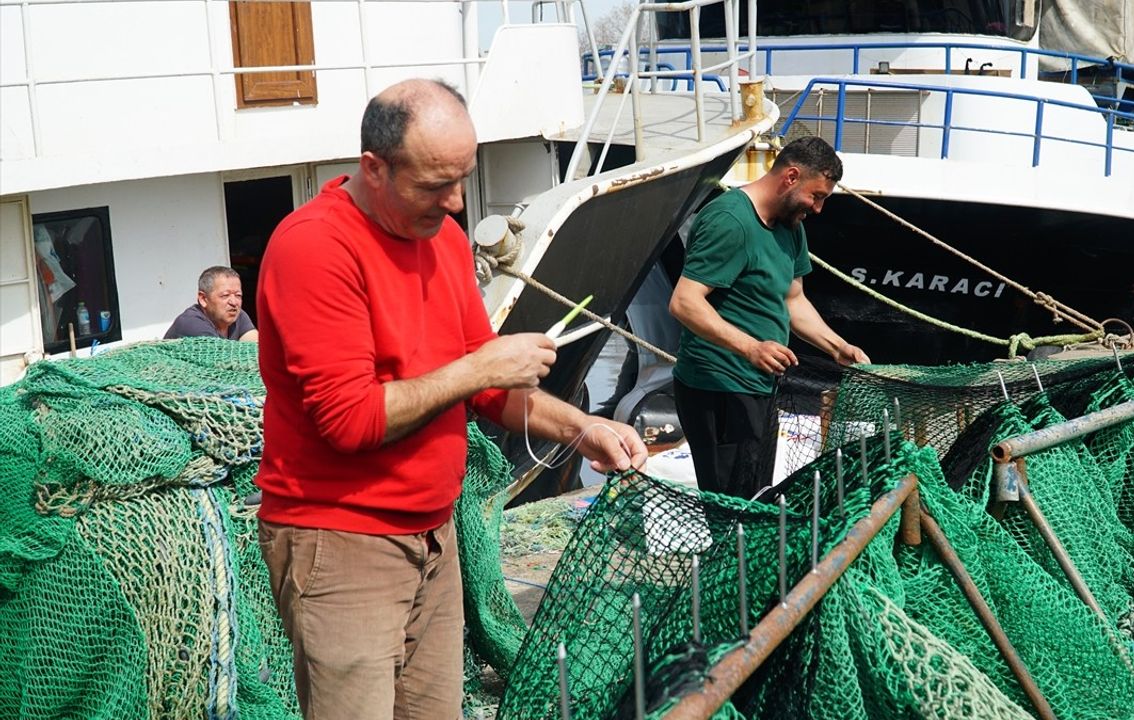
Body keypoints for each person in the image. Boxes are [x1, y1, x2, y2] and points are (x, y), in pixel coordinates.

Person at [253, 79, 647, 720]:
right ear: (374, 168)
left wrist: (582, 427)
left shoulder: (437, 238)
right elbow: (350, 422)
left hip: (434, 537)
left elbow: (490, 388)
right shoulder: (314, 248)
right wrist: (479, 366)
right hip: (344, 542)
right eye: (436, 184)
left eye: (464, 177)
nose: (457, 202)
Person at [669, 136, 869, 499]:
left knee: (756, 494)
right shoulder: (730, 220)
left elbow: (793, 300)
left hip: (760, 385)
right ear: (791, 176)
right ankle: (728, 557)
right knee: (731, 506)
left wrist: (837, 346)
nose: (819, 208)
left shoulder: (790, 226)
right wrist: (750, 348)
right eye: (817, 195)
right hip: (719, 387)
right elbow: (684, 303)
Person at [163, 266, 259, 341]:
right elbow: (222, 360)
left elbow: (256, 347)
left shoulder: (238, 315)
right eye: (225, 295)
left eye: (238, 295)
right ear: (203, 299)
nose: (234, 302)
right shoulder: (192, 324)